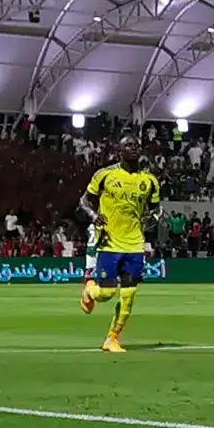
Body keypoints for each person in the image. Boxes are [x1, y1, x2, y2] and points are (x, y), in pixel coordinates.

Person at [78, 137, 162, 353]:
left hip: (134, 244)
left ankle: (112, 338)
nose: (134, 148)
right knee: (107, 293)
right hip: (109, 242)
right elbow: (84, 201)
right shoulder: (105, 175)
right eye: (129, 145)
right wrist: (93, 215)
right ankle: (90, 290)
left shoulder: (149, 180)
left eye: (136, 145)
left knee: (129, 293)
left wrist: (151, 219)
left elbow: (156, 209)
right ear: (119, 151)